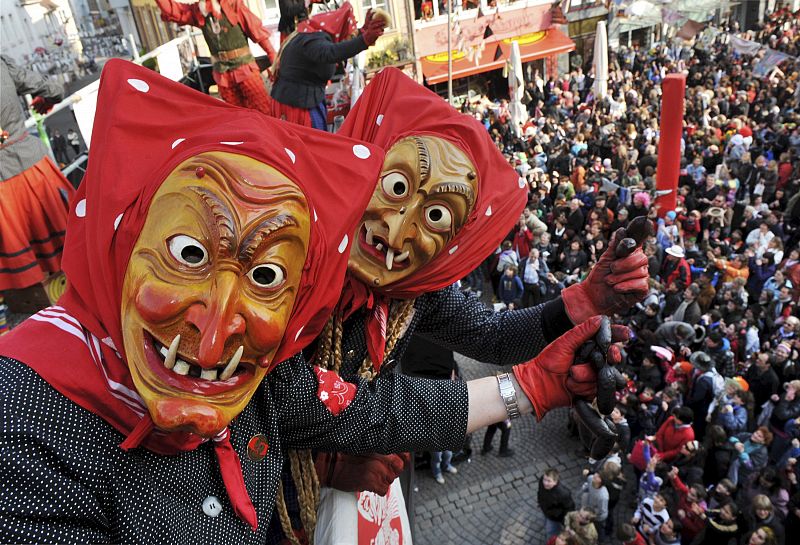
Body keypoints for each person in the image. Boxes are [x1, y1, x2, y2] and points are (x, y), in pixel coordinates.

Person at [275, 68, 651, 543]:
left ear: (455, 242)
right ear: (361, 161)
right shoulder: (284, 260)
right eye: (395, 188)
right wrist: (526, 388)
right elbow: (289, 402)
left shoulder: (415, 285)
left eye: (435, 216)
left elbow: (490, 335)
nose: (396, 232)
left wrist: (583, 301)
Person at [0, 55, 75, 296]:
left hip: (4, 191)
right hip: (33, 170)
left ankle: (48, 317)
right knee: (68, 250)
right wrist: (47, 100)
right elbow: (53, 89)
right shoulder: (3, 64)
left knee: (28, 268)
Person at [270, 2, 386, 129]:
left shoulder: (313, 34)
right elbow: (331, 52)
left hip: (303, 101)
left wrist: (363, 32)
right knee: (310, 146)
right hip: (297, 107)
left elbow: (341, 45)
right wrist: (364, 40)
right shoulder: (314, 40)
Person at [155, 0, 276, 113]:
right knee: (236, 116)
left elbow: (256, 30)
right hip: (223, 75)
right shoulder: (198, 11)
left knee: (263, 108)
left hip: (245, 68)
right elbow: (173, 11)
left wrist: (273, 58)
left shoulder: (233, 5)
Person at [538, 468, 576, 539]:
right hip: (545, 510)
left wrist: (566, 524)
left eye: (549, 481)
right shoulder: (541, 481)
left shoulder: (563, 493)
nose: (545, 483)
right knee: (546, 524)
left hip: (555, 518)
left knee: (551, 533)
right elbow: (540, 492)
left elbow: (569, 509)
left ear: (555, 482)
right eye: (544, 479)